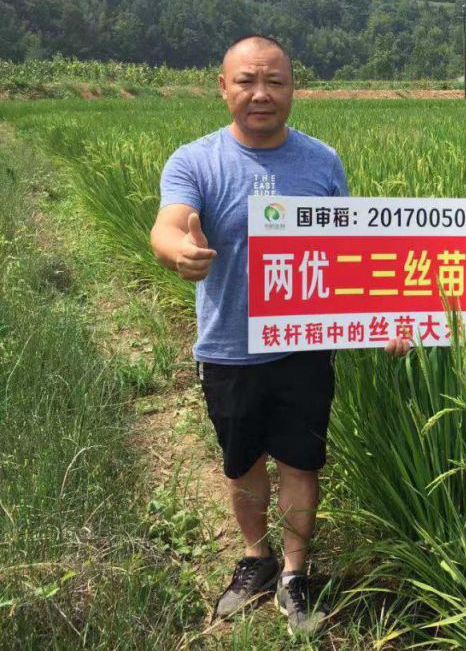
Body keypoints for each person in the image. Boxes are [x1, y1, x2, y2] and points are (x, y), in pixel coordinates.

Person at [150, 34, 409, 637]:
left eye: (275, 82)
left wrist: (393, 315)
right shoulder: (195, 161)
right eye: (246, 81)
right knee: (242, 464)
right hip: (229, 347)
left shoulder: (322, 160)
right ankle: (255, 558)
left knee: (301, 461)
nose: (261, 94)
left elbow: (351, 252)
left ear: (294, 88)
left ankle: (294, 572)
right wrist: (178, 251)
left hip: (303, 343)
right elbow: (167, 224)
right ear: (223, 87)